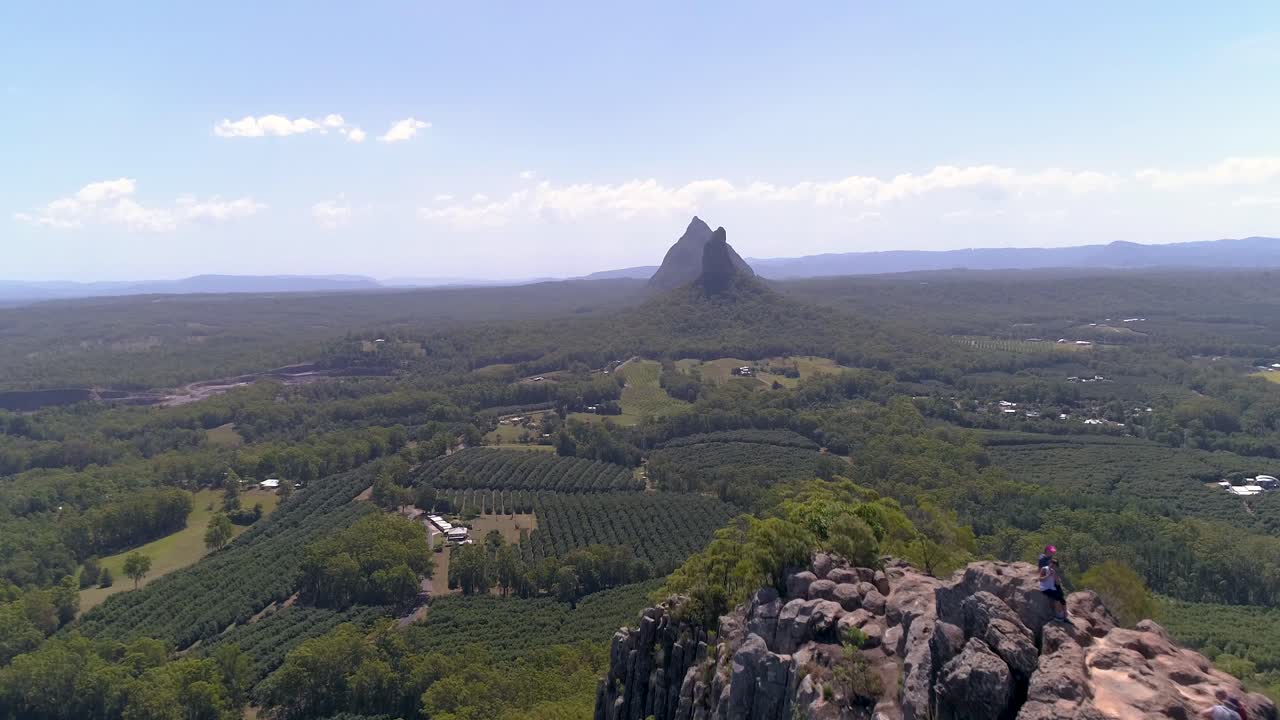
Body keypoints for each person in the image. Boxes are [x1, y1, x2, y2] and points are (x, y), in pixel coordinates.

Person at [1038, 544, 1067, 622]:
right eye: (1051, 551)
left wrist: (1055, 575)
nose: (1052, 553)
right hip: (1048, 583)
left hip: (1053, 582)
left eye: (1053, 552)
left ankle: (1065, 614)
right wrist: (1048, 574)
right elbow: (1041, 572)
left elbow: (1055, 572)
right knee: (1057, 597)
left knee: (1062, 598)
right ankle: (1060, 614)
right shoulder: (1042, 559)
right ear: (1047, 551)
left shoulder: (1051, 559)